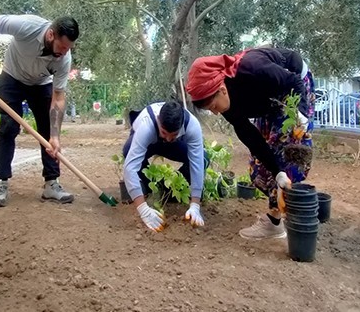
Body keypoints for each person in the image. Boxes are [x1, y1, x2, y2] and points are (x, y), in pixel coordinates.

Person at [185, 47, 315, 240]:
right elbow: (250, 136)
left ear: (222, 90)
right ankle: (285, 206)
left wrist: (301, 112)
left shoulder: (253, 69)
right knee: (260, 170)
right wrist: (276, 171)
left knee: (289, 154)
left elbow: (293, 81)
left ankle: (276, 220)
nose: (215, 113)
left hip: (293, 89)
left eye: (213, 106)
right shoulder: (227, 104)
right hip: (266, 103)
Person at [0, 14, 79, 206]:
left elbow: (58, 97)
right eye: (62, 47)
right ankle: (1, 182)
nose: (64, 52)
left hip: (41, 83)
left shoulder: (64, 58)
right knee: (8, 126)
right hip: (12, 77)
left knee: (48, 131)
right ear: (51, 35)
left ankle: (51, 184)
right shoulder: (27, 26)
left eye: (68, 48)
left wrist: (55, 136)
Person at [122, 101, 207, 232]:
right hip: (150, 142)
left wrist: (195, 203)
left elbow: (197, 164)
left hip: (176, 145)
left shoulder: (192, 125)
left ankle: (171, 192)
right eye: (164, 132)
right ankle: (146, 191)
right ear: (158, 120)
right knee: (128, 151)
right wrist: (142, 209)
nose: (167, 138)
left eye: (173, 135)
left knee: (204, 158)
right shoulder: (147, 125)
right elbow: (130, 167)